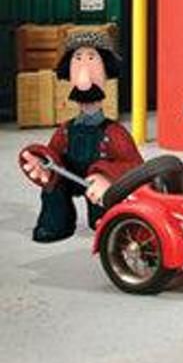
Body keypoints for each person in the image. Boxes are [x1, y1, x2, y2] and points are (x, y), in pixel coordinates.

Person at [17, 30, 143, 243]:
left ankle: (106, 220)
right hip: (69, 176)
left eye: (92, 59)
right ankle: (56, 224)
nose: (84, 74)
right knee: (53, 190)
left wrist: (108, 176)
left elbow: (135, 166)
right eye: (77, 59)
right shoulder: (66, 130)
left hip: (97, 185)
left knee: (102, 214)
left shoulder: (114, 133)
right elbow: (52, 154)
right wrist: (43, 161)